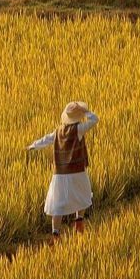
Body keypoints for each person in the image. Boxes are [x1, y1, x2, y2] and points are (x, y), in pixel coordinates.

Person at [27, 101, 98, 239]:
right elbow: (95, 119)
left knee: (57, 203)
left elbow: (46, 139)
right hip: (77, 171)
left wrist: (33, 145)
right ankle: (79, 221)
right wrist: (85, 111)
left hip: (60, 174)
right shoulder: (79, 129)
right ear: (78, 117)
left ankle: (56, 233)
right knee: (82, 195)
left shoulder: (58, 131)